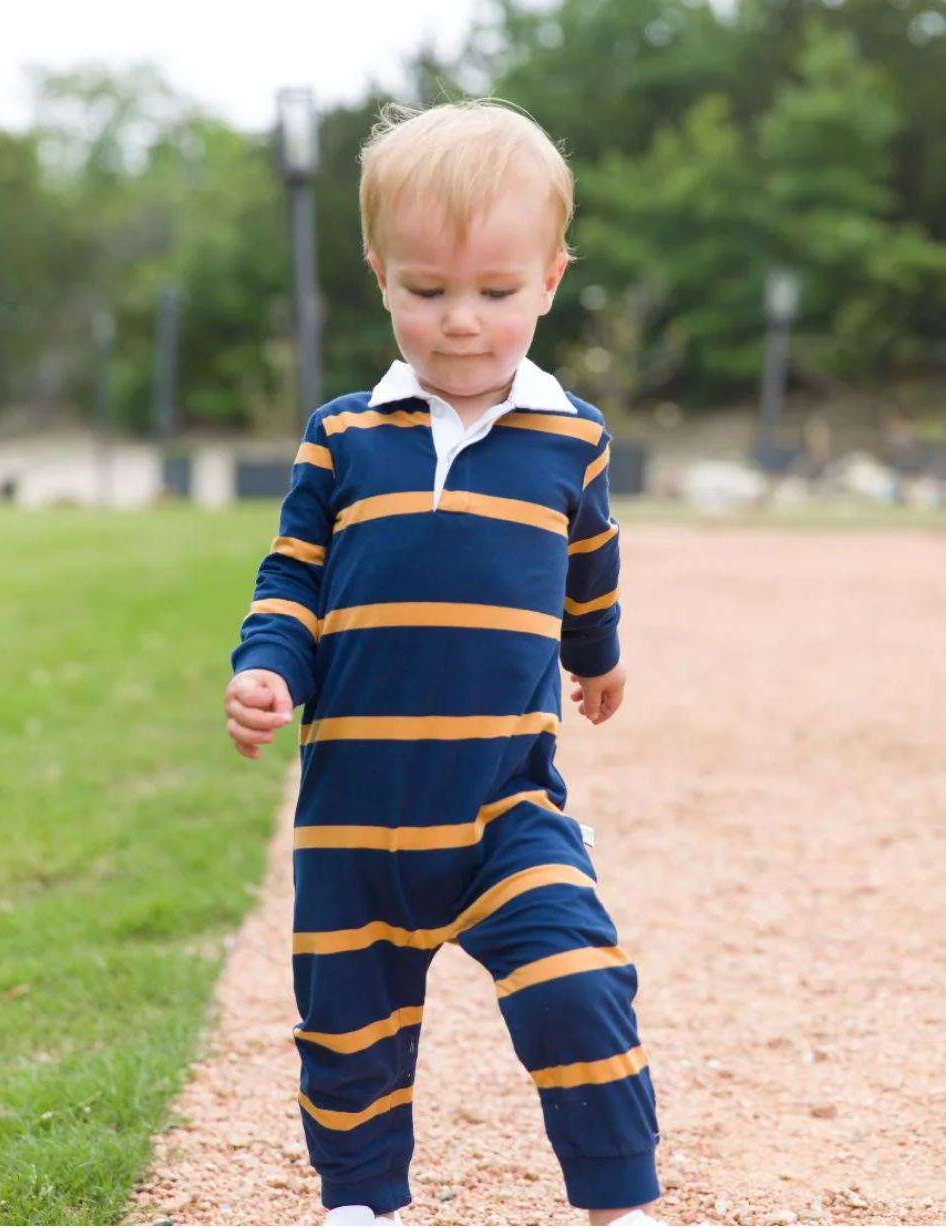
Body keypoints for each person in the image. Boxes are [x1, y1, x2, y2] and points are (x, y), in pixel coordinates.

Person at [224, 99, 662, 1228]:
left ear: (553, 278)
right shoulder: (344, 435)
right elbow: (291, 579)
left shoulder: (573, 437)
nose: (461, 322)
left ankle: (620, 1200)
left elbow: (590, 563)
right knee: (348, 1024)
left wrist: (599, 657)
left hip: (502, 803)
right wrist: (270, 668)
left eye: (495, 292)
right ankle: (363, 1202)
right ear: (380, 275)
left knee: (577, 979)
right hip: (354, 816)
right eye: (427, 291)